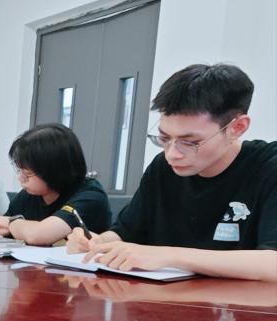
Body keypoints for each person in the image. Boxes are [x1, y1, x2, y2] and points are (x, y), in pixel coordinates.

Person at [67, 63, 277, 281]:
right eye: (164, 138)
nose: (172, 154)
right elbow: (126, 233)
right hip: (160, 298)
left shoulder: (268, 167)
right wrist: (97, 242)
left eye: (190, 142)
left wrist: (167, 255)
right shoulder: (162, 168)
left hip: (237, 301)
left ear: (237, 128)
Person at [0, 124, 111, 245]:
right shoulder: (30, 195)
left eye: (27, 174)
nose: (20, 178)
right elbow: (8, 227)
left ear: (54, 170)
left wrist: (10, 223)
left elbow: (38, 235)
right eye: (20, 170)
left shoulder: (90, 196)